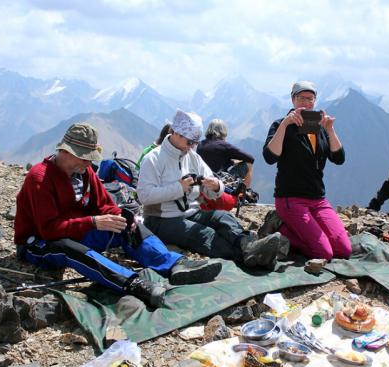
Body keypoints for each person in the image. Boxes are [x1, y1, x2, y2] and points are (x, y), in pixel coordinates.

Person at [14, 123, 222, 308]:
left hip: (77, 230)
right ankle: (132, 283)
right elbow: (49, 229)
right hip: (38, 242)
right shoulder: (40, 179)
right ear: (66, 152)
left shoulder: (85, 173)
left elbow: (104, 204)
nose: (89, 164)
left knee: (127, 224)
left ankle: (175, 265)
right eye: (84, 158)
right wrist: (94, 222)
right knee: (68, 249)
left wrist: (120, 217)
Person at [138, 110, 289, 269]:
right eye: (190, 142)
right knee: (203, 234)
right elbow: (144, 196)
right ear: (176, 133)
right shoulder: (154, 158)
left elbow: (213, 187)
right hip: (161, 219)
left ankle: (249, 246)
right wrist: (179, 188)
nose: (192, 147)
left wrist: (216, 186)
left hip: (191, 212)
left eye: (195, 143)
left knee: (223, 218)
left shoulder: (193, 157)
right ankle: (253, 255)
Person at [262, 80, 351, 261]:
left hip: (318, 199)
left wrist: (330, 130)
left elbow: (339, 158)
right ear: (293, 100)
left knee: (344, 250)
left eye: (310, 99)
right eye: (301, 98)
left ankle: (297, 231)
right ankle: (281, 230)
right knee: (324, 253)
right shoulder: (281, 125)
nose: (306, 102)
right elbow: (270, 157)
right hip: (290, 198)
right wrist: (285, 124)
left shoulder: (318, 127)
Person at [197, 119, 255, 188]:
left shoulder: (200, 144)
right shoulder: (223, 145)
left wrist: (232, 162)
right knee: (248, 164)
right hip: (218, 181)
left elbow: (214, 161)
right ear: (223, 131)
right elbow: (251, 158)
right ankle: (244, 192)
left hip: (202, 179)